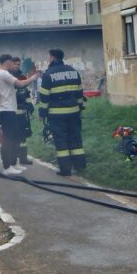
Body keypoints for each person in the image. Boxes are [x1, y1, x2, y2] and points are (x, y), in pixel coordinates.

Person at [37, 48, 86, 177]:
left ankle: (65, 169)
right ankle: (80, 166)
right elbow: (80, 93)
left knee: (61, 140)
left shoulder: (48, 75)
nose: (48, 59)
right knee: (76, 138)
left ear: (52, 57)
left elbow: (44, 97)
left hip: (57, 115)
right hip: (74, 112)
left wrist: (42, 113)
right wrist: (80, 107)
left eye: (49, 57)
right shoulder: (73, 72)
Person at [0, 54, 40, 176]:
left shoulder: (0, 74)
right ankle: (7, 166)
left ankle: (13, 163)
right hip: (6, 110)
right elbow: (19, 84)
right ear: (6, 62)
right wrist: (33, 78)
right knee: (8, 139)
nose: (12, 65)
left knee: (15, 137)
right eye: (11, 62)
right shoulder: (3, 74)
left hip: (8, 109)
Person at [10, 57, 34, 167]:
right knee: (13, 137)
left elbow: (27, 93)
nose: (16, 66)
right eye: (14, 64)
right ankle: (12, 158)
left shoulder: (23, 77)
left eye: (18, 64)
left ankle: (23, 158)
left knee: (23, 136)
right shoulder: (7, 77)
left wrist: (30, 105)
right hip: (11, 113)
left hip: (22, 113)